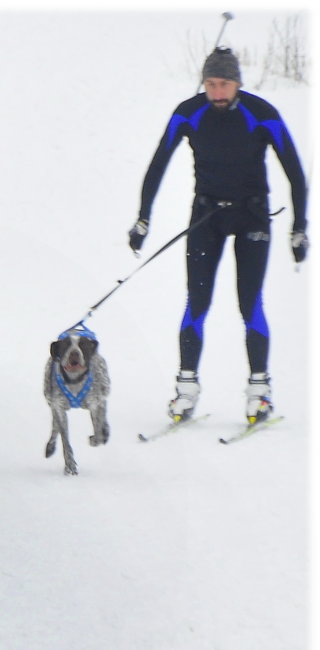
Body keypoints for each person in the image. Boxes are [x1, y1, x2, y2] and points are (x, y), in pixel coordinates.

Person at [129, 47, 308, 425]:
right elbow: (157, 165)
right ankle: (186, 389)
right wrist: (143, 219)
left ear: (238, 83)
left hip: (252, 216)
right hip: (206, 216)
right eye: (211, 84)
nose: (217, 92)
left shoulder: (261, 114)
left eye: (224, 83)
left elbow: (295, 171)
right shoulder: (188, 112)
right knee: (197, 302)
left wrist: (300, 228)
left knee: (249, 303)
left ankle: (259, 392)